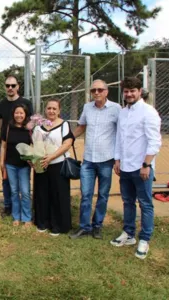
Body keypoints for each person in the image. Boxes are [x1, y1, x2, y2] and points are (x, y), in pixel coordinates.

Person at [111, 77, 161, 259]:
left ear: (140, 91)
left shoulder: (149, 112)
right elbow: (119, 139)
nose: (129, 94)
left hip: (141, 167)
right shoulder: (123, 112)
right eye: (126, 91)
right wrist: (117, 160)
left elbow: (154, 141)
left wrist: (146, 164)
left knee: (145, 203)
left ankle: (144, 239)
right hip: (125, 166)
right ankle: (129, 233)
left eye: (133, 91)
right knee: (127, 201)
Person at [69, 80, 121, 239]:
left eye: (99, 90)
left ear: (106, 91)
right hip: (88, 161)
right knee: (86, 195)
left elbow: (121, 133)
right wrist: (67, 139)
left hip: (106, 160)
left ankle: (97, 225)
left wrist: (119, 158)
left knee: (103, 195)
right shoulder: (87, 107)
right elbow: (81, 127)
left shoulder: (116, 109)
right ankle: (85, 227)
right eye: (93, 90)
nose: (96, 92)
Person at [33, 99, 74, 236]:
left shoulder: (64, 124)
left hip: (58, 164)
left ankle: (58, 225)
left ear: (59, 110)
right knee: (42, 194)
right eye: (49, 108)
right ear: (45, 110)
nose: (51, 111)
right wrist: (35, 158)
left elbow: (67, 143)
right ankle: (42, 222)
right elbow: (34, 143)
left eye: (54, 109)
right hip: (41, 165)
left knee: (58, 195)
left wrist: (51, 157)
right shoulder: (39, 125)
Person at [0, 76, 33, 217]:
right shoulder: (1, 104)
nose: (10, 88)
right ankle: (8, 206)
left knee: (24, 182)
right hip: (6, 142)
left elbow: (31, 123)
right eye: (7, 85)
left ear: (18, 86)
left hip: (23, 143)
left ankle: (25, 209)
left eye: (13, 85)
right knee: (6, 175)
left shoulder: (26, 103)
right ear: (5, 87)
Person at [0, 104, 32, 227]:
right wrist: (2, 163)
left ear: (25, 115)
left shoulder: (29, 129)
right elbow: (3, 146)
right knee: (14, 191)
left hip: (24, 165)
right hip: (10, 165)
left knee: (25, 192)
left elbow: (34, 145)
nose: (19, 115)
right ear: (13, 114)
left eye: (21, 113)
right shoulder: (8, 128)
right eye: (17, 113)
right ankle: (16, 216)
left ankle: (27, 217)